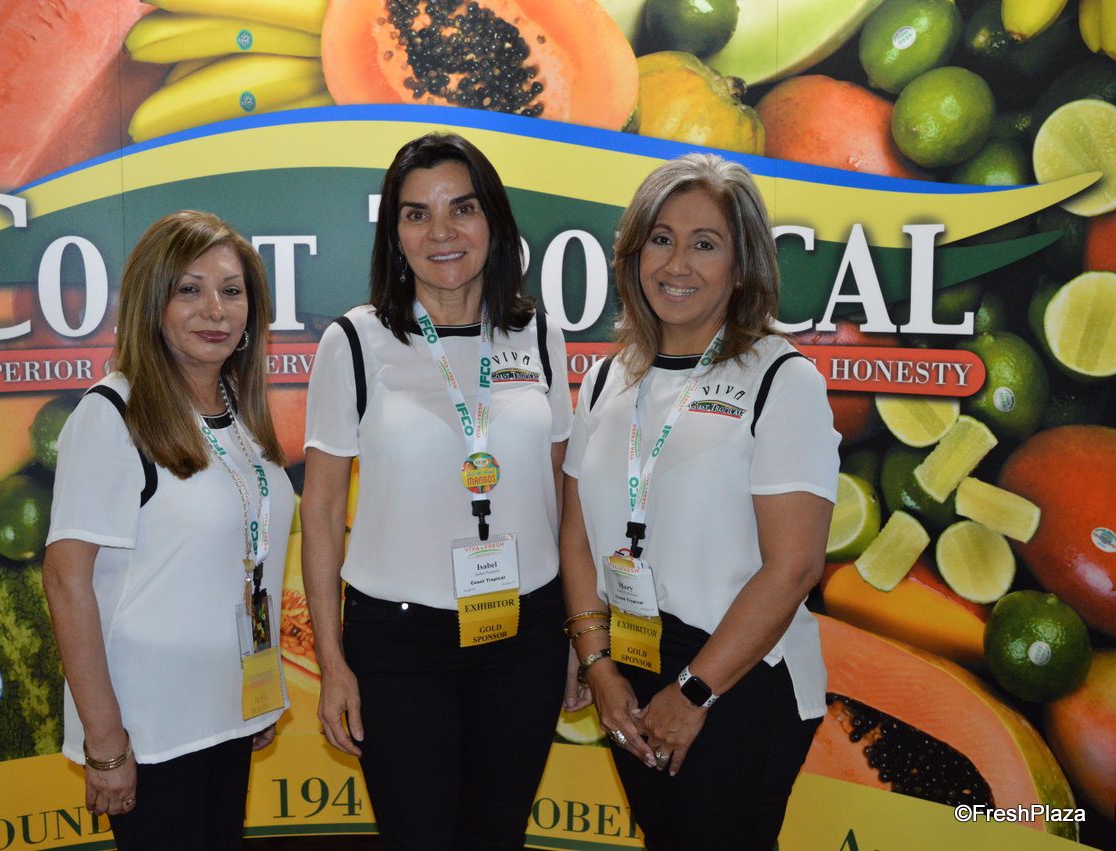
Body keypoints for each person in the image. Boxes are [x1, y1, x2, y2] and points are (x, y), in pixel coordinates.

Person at [559, 153, 840, 850]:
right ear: (634, 253)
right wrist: (597, 663)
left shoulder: (781, 379)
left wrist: (692, 691)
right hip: (631, 659)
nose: (677, 264)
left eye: (705, 244)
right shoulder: (606, 379)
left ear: (741, 265)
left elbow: (795, 567)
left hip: (735, 676)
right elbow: (576, 534)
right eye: (661, 239)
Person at [302, 132, 574, 850]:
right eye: (417, 214)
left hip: (525, 632)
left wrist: (581, 633)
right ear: (395, 235)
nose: (441, 232)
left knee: (497, 835)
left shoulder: (538, 332)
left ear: (494, 221)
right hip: (399, 645)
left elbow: (560, 490)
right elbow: (322, 510)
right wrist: (332, 661)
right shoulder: (355, 342)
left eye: (462, 208)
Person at [43, 210, 293, 850]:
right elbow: (67, 582)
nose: (215, 310)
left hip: (226, 713)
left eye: (231, 291)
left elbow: (246, 565)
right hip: (151, 732)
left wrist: (258, 690)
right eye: (189, 289)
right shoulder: (112, 413)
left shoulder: (238, 411)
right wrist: (106, 744)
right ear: (152, 303)